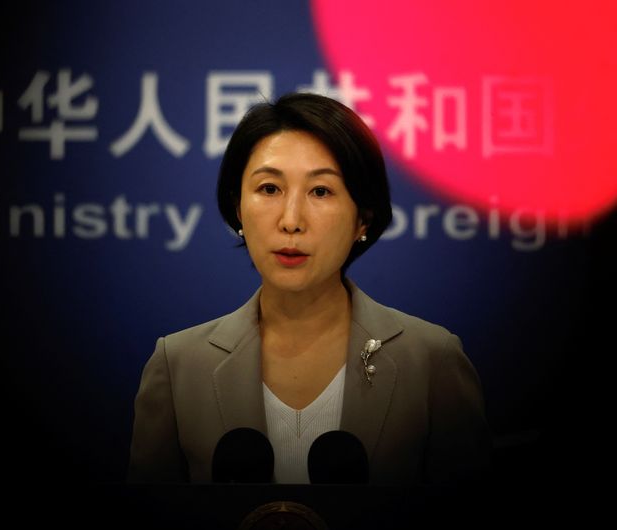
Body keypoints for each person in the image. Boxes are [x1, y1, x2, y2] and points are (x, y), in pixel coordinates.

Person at [127, 92, 491, 485]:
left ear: (362, 219)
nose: (291, 220)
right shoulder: (179, 365)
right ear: (238, 208)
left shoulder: (431, 361)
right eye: (269, 189)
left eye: (321, 191)